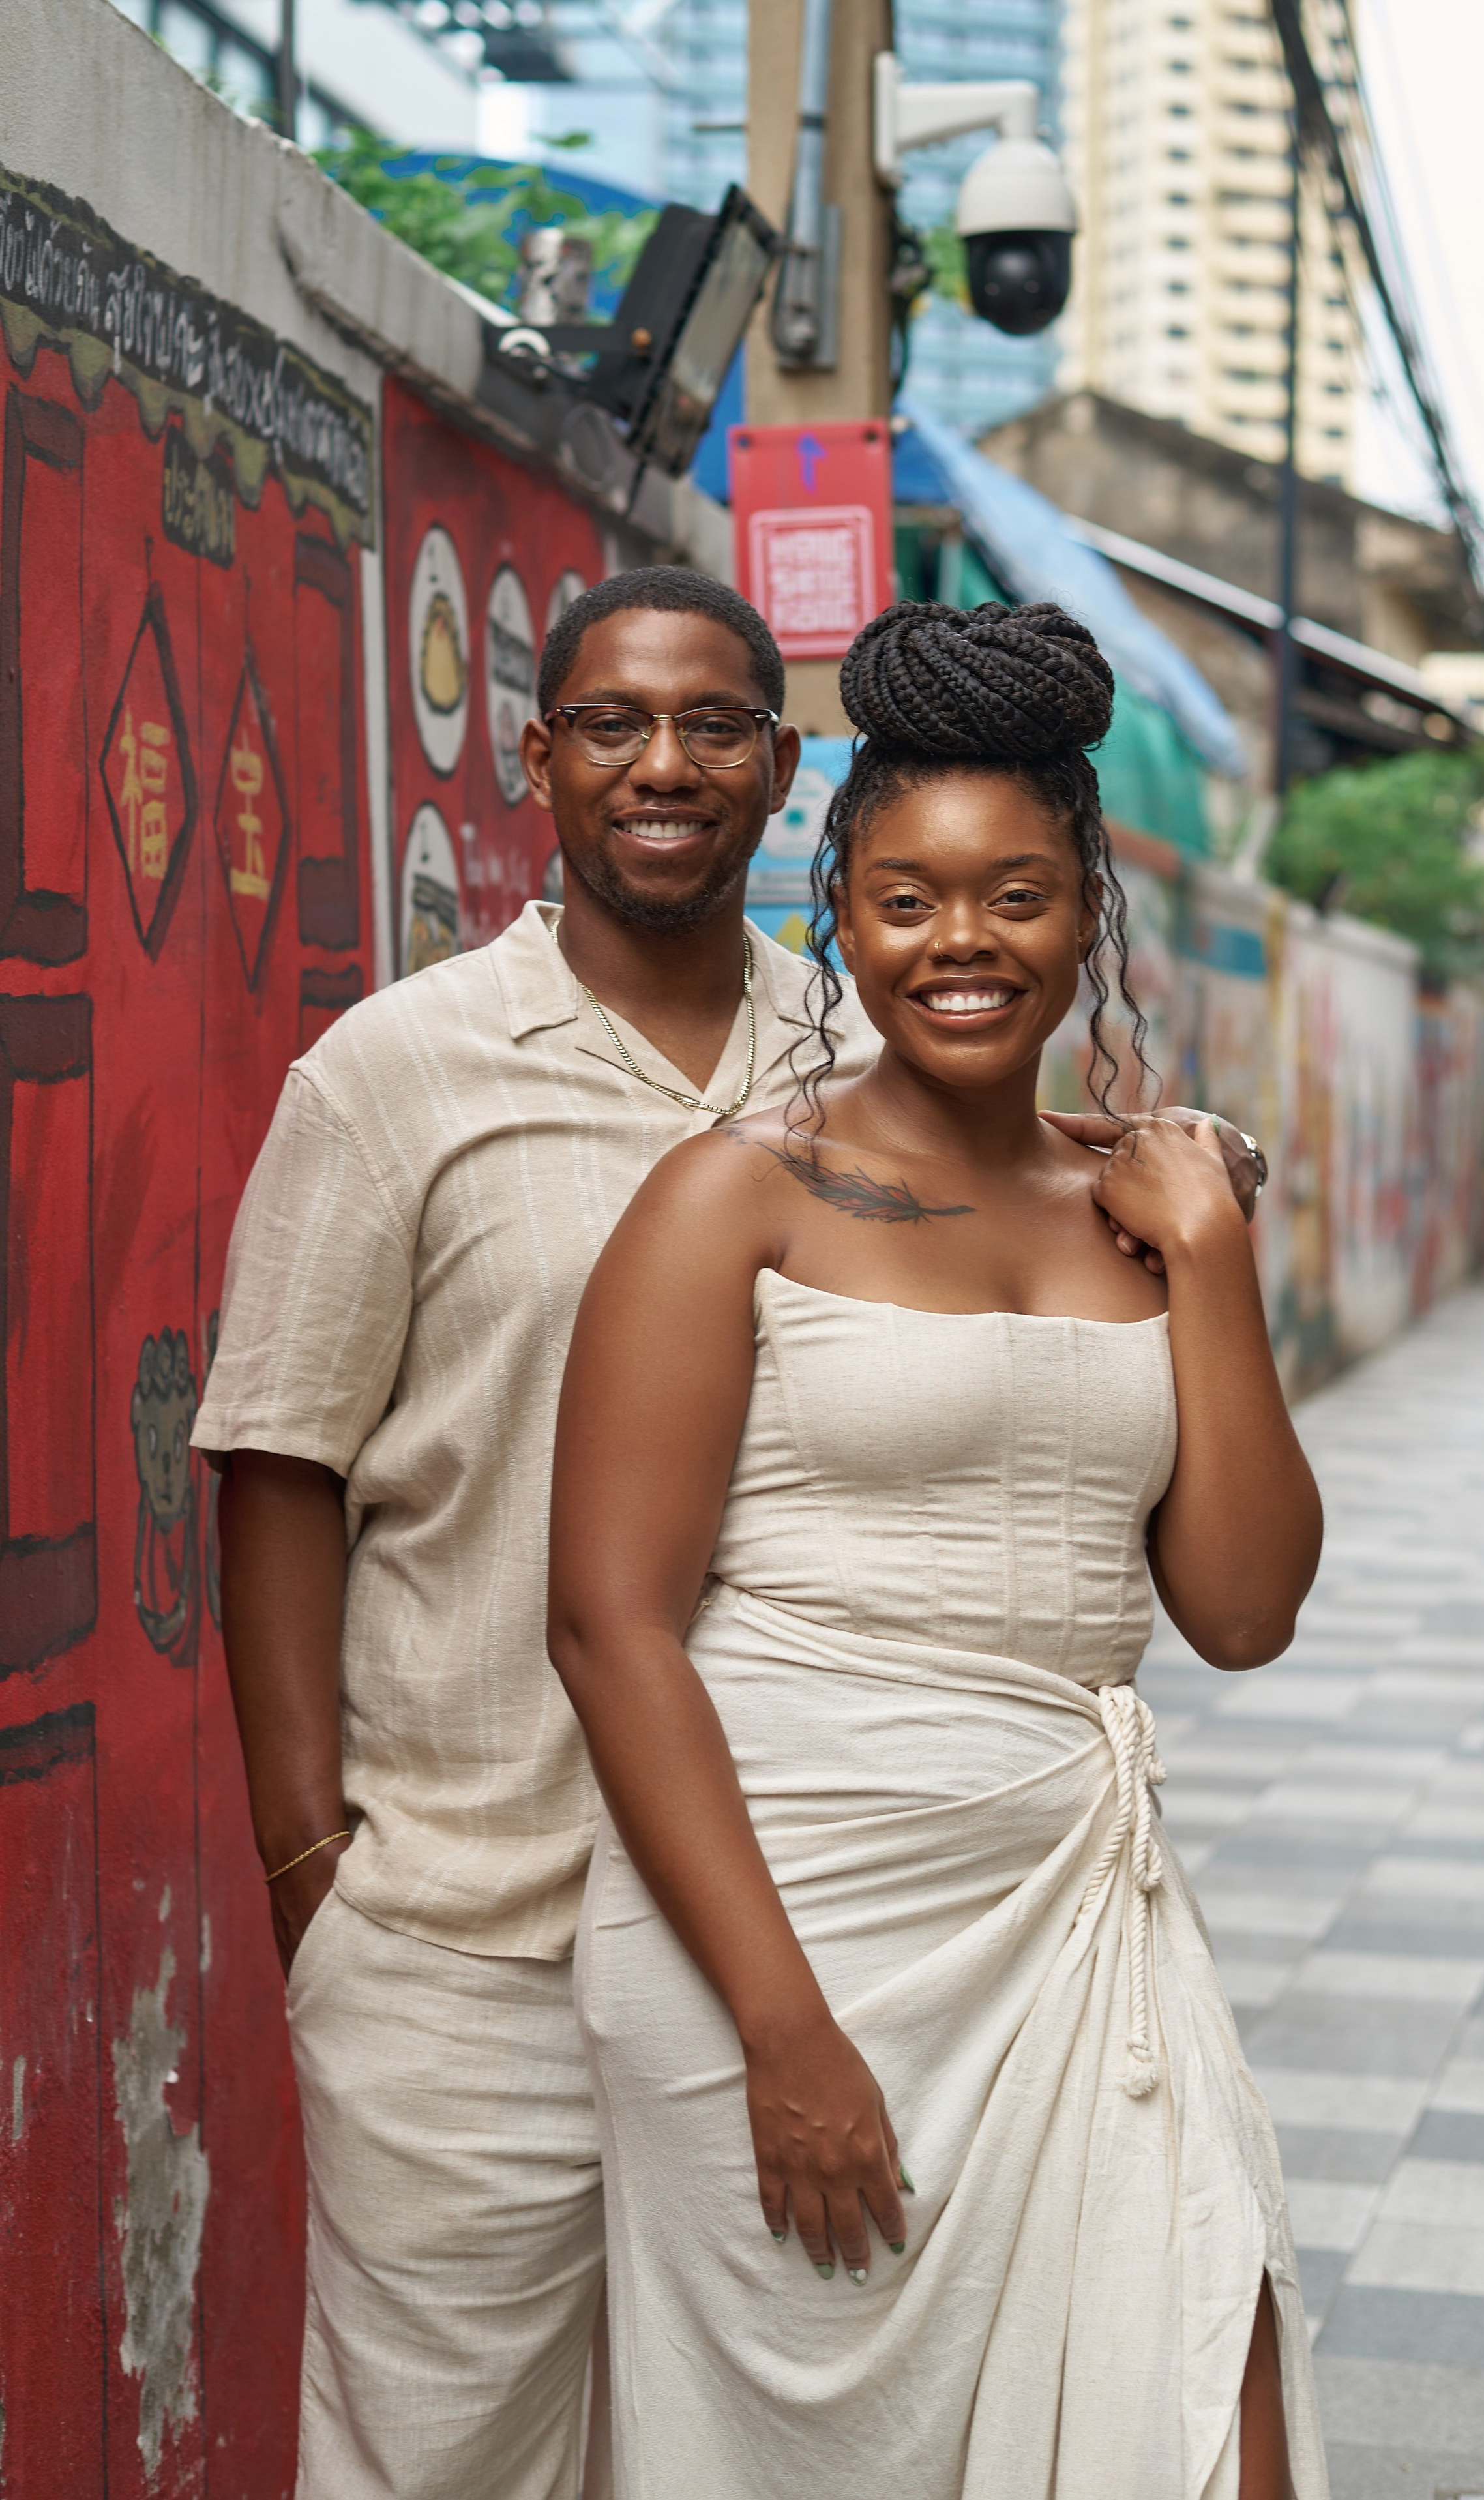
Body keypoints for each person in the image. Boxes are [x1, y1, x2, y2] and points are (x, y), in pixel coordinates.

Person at [548, 600, 1329, 2500]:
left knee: (1208, 2404)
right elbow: (609, 1628)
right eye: (905, 901)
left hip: (1076, 1916)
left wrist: (1212, 1255)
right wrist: (782, 2032)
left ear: (1087, 913)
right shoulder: (734, 1195)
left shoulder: (1149, 1209)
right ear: (842, 910)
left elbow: (1241, 1610)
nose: (959, 942)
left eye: (1015, 897)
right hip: (786, 1940)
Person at [192, 570, 881, 2500]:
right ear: (538, 754)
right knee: (438, 2469)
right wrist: (316, 1872)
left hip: (796, 1938)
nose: (665, 765)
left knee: (772, 2464)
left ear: (783, 768)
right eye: (613, 723)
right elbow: (279, 1466)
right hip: (467, 1942)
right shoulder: (398, 1068)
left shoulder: (866, 1060)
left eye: (715, 725)